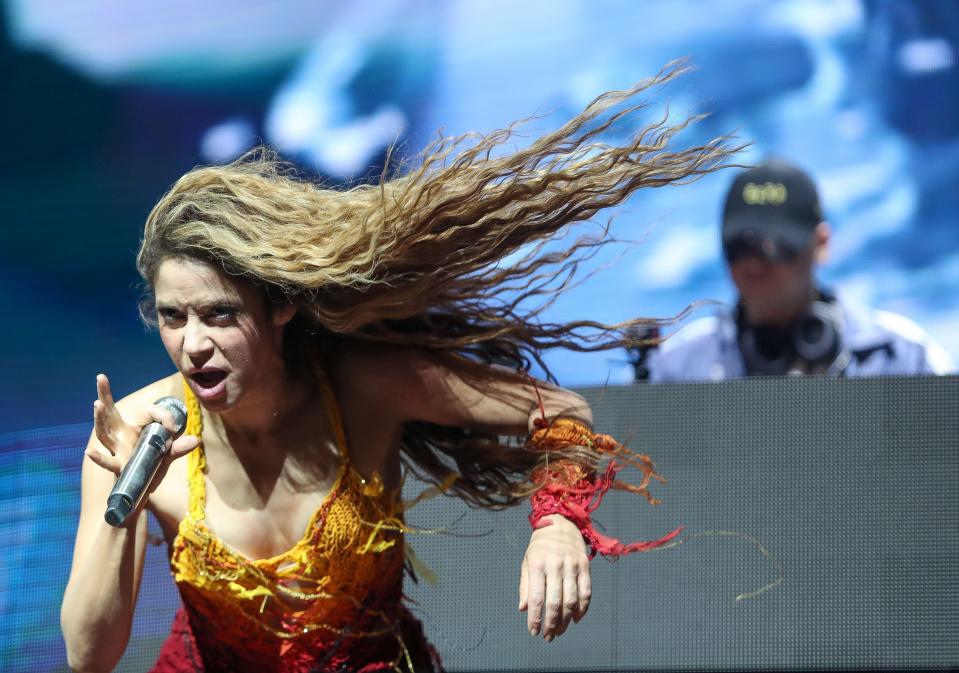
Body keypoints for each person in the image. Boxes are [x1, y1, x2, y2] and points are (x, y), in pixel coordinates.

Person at [59, 64, 731, 673]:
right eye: (174, 317)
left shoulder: (361, 385)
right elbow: (89, 656)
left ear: (281, 306)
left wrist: (557, 520)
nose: (192, 343)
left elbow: (560, 410)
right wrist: (126, 498)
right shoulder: (133, 439)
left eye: (219, 314)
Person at [643, 159, 955, 381]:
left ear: (821, 243)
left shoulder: (903, 356)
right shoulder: (672, 368)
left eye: (775, 244)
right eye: (739, 244)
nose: (754, 260)